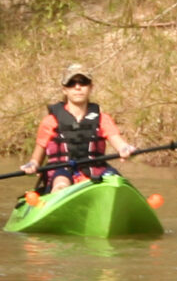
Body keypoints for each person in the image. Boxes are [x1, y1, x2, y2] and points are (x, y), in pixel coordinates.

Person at [21, 64, 135, 193]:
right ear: (65, 90)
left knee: (116, 182)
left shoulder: (103, 119)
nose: (77, 87)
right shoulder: (50, 121)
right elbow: (36, 159)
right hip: (61, 171)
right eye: (71, 83)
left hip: (96, 170)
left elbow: (119, 143)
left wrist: (125, 149)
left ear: (90, 87)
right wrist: (32, 166)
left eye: (83, 82)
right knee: (61, 184)